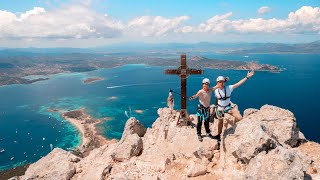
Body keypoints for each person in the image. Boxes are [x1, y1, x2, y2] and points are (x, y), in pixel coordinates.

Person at [212, 70, 255, 141]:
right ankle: (218, 135)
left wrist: (247, 77)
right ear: (217, 83)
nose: (221, 83)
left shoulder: (229, 88)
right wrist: (217, 107)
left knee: (240, 118)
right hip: (220, 108)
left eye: (222, 82)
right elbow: (217, 99)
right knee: (220, 122)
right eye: (220, 82)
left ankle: (237, 129)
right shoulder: (216, 91)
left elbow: (238, 84)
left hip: (228, 107)